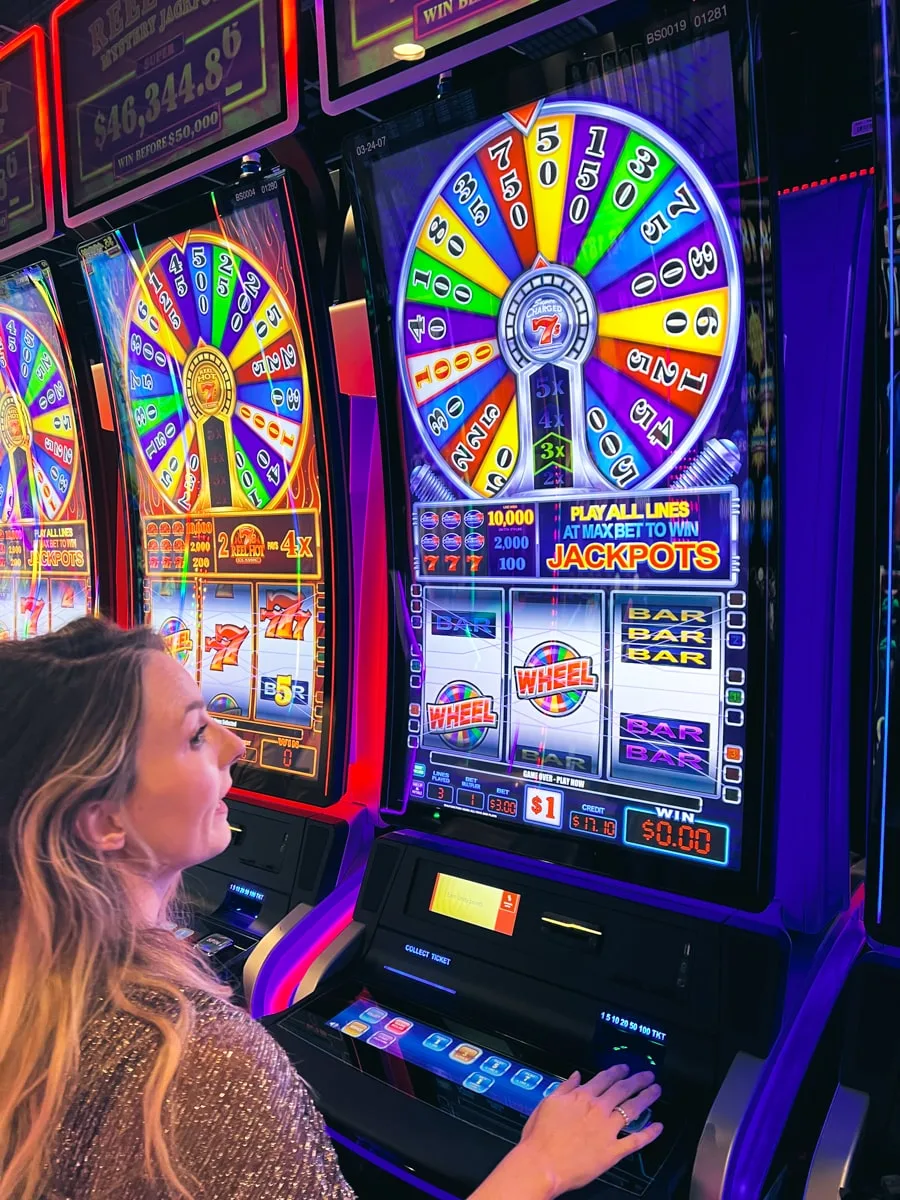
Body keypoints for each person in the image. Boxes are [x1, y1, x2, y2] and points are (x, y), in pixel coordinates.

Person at [0, 618, 663, 1199]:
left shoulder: (32, 990)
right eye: (197, 736)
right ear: (104, 821)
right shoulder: (199, 1066)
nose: (239, 746)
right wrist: (542, 1166)